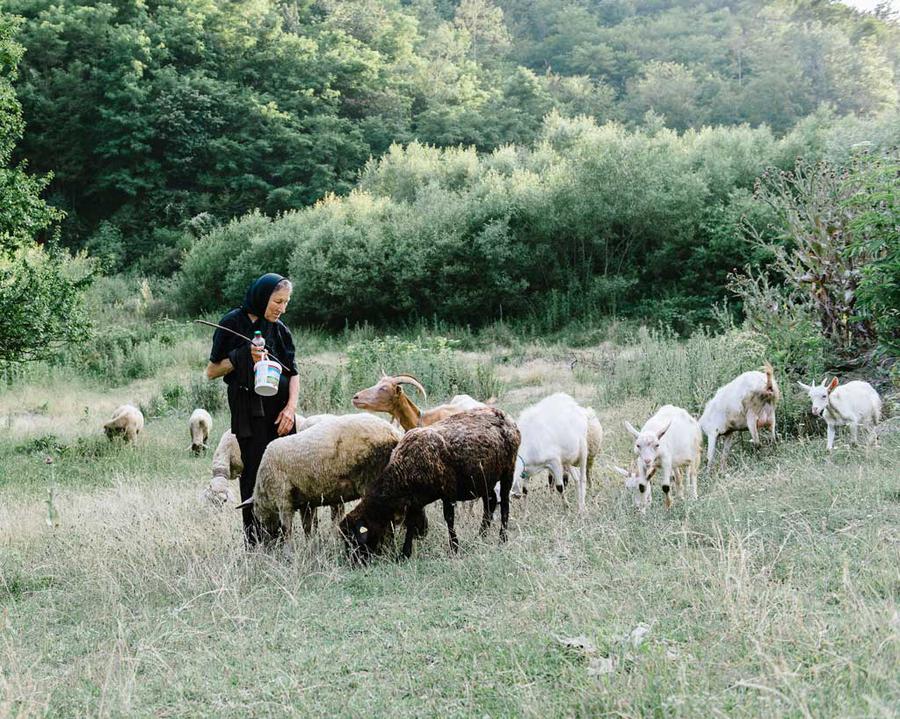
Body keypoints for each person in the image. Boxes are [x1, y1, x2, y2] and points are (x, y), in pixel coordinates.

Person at [206, 273, 299, 546]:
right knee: (256, 473)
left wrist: (291, 409)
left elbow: (293, 372)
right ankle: (256, 541)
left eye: (286, 302)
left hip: (281, 414)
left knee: (286, 472)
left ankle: (284, 538)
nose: (282, 308)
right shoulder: (231, 323)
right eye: (277, 301)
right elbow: (211, 371)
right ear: (262, 296)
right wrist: (242, 356)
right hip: (249, 412)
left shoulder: (280, 330)